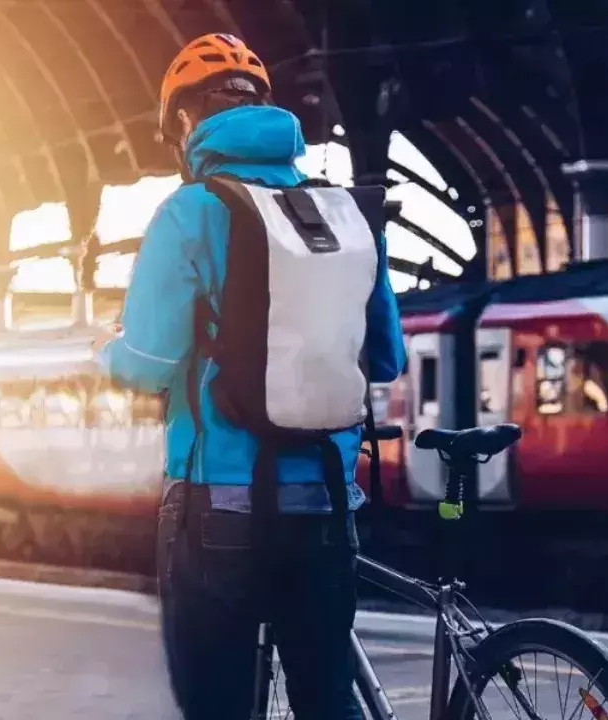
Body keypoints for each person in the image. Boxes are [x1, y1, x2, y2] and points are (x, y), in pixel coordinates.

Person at [96, 32, 404, 719]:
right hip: (328, 501)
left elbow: (146, 366)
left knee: (220, 704)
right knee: (327, 695)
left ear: (184, 122)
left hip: (218, 508)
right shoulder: (347, 212)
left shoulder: (190, 212)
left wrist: (105, 352)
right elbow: (385, 360)